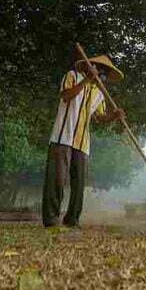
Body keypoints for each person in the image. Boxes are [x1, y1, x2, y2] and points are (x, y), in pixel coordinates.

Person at [41, 54, 127, 227]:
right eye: (100, 69)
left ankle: (72, 220)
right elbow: (66, 96)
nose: (101, 74)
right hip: (62, 137)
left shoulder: (100, 93)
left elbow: (99, 118)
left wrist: (114, 116)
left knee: (79, 183)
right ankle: (51, 220)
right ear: (90, 66)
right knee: (57, 179)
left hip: (82, 143)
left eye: (105, 72)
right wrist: (86, 80)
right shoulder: (72, 76)